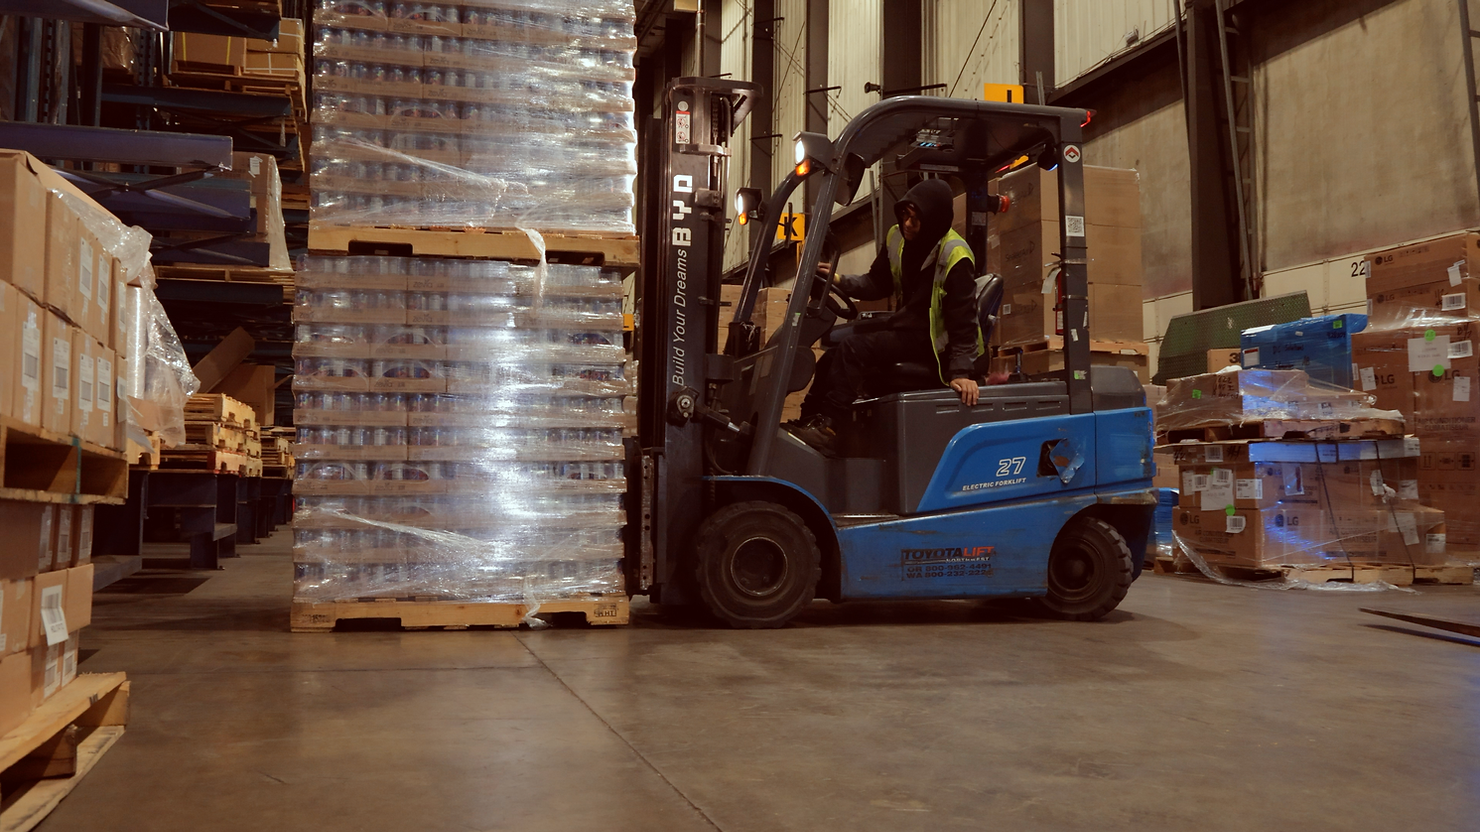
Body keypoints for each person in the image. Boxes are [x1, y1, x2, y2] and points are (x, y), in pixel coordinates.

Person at [790, 179, 982, 454]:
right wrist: (839, 279)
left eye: (915, 219)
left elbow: (964, 319)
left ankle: (829, 429)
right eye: (905, 215)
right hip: (907, 327)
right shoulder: (898, 238)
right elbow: (877, 282)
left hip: (933, 342)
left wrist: (962, 371)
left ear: (933, 219)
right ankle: (810, 420)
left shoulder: (955, 255)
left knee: (853, 348)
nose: (906, 224)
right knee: (832, 354)